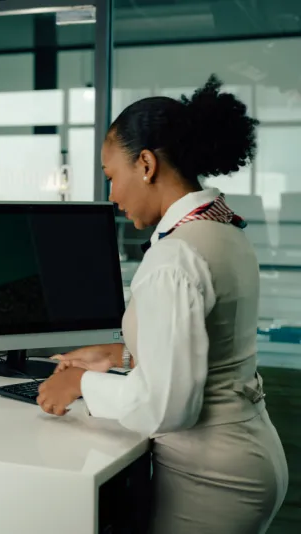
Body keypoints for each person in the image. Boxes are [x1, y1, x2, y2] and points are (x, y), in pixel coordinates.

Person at [35, 75, 288, 533]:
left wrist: (79, 384)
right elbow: (209, 344)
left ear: (146, 164)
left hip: (214, 477)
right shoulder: (222, 229)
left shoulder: (175, 257)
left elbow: (166, 407)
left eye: (112, 177)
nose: (111, 197)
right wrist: (122, 355)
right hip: (247, 452)